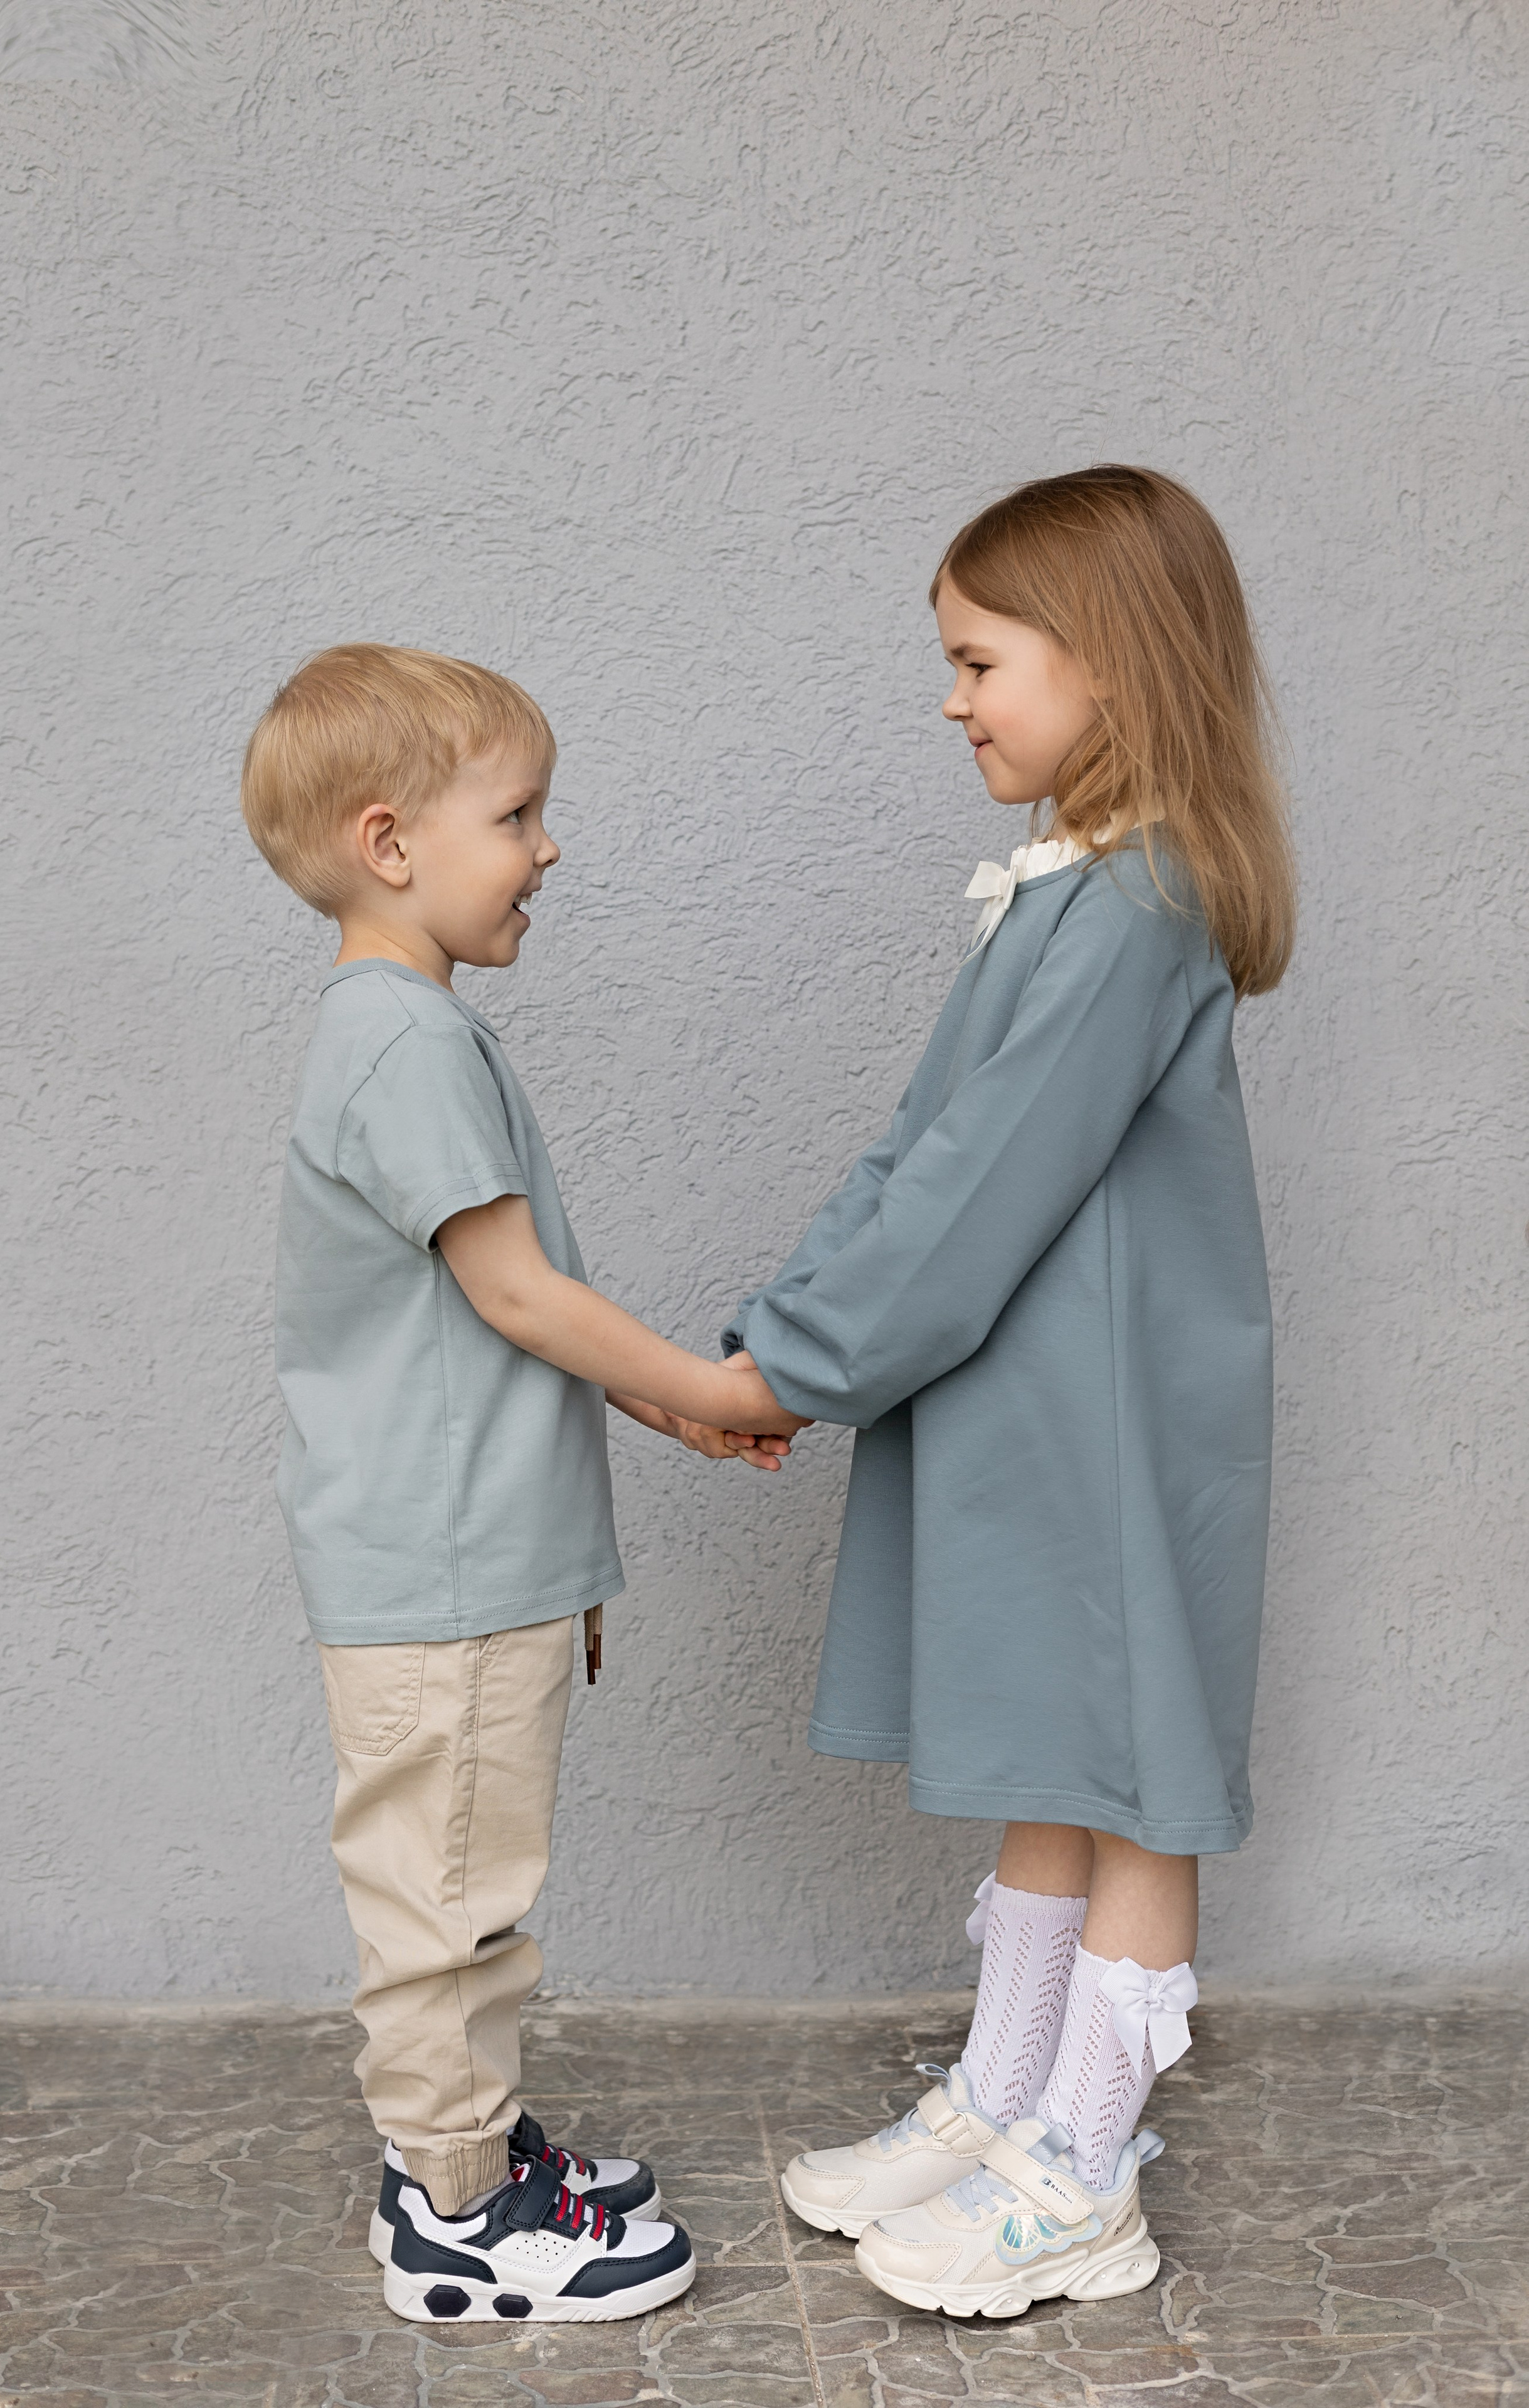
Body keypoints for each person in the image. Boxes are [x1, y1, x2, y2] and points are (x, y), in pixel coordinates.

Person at [724, 467, 1294, 2318]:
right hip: (1038, 1411)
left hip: (1113, 1422)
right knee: (1059, 1749)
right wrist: (783, 1327)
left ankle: (1087, 2160)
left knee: (1130, 1773)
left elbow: (972, 1198)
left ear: (1108, 665)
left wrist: (790, 1368)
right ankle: (1003, 2095)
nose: (953, 700)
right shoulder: (1067, 893)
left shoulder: (1139, 908)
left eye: (980, 660)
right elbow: (923, 1148)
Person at [240, 643, 802, 2325]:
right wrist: (702, 1382)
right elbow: (515, 1292)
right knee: (451, 1902)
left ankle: (471, 2151)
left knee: (466, 1885)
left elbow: (491, 1309)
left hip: (461, 1555)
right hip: (450, 1570)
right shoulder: (400, 1042)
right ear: (394, 841)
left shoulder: (406, 1032)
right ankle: (458, 2213)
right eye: (521, 813)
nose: (548, 847)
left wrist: (659, 1421)